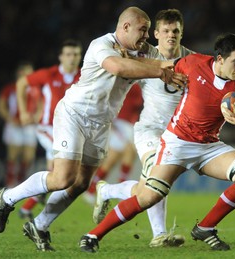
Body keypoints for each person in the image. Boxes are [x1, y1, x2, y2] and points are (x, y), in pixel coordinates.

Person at [0, 6, 187, 252]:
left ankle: (39, 225)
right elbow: (118, 67)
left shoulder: (140, 50)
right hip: (75, 114)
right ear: (125, 27)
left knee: (82, 183)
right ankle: (7, 198)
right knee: (63, 178)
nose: (147, 37)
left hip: (101, 123)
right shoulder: (101, 45)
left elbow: (168, 61)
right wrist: (157, 70)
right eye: (143, 30)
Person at [79, 33, 235, 253]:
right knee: (148, 196)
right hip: (177, 143)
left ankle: (205, 227)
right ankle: (92, 235)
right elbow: (160, 64)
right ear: (220, 59)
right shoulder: (194, 64)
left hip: (208, 146)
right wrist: (127, 60)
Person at [91, 8, 194, 248]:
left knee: (145, 189)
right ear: (156, 34)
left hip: (177, 136)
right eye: (166, 31)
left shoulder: (193, 60)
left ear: (181, 34)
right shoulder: (142, 59)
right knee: (158, 177)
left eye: (176, 31)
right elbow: (118, 72)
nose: (171, 35)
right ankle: (159, 235)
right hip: (149, 129)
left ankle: (107, 191)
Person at [15, 39, 83, 220]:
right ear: (61, 56)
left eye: (76, 54)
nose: (72, 58)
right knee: (64, 170)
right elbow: (22, 83)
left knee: (54, 175)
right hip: (48, 128)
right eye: (68, 54)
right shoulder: (49, 74)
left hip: (69, 129)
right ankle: (12, 199)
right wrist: (23, 112)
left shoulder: (84, 76)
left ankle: (26, 207)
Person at [83, 83, 143, 205]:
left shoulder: (141, 86)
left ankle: (92, 189)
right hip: (118, 122)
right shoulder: (124, 82)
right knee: (128, 151)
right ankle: (118, 189)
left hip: (130, 125)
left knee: (113, 159)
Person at [0, 62, 42, 187]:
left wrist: (36, 118)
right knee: (13, 155)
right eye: (28, 72)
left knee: (28, 157)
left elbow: (40, 107)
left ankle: (21, 181)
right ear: (20, 73)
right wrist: (10, 119)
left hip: (29, 126)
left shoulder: (36, 89)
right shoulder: (10, 89)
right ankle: (10, 182)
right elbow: (1, 106)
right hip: (14, 126)